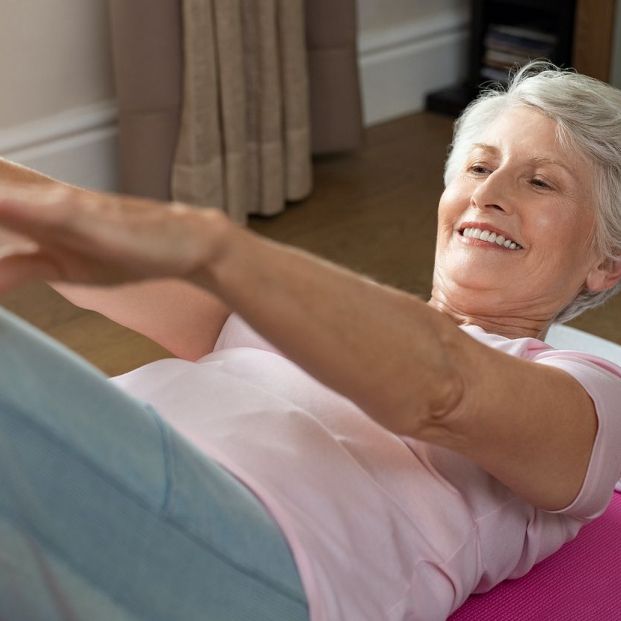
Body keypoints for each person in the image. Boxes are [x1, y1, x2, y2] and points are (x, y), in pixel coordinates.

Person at [0, 61, 620, 621]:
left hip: (253, 563)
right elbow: (62, 236)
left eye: (541, 183)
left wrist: (218, 249)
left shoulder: (590, 394)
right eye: (479, 167)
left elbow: (442, 387)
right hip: (113, 489)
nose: (488, 193)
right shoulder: (307, 313)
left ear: (607, 263)